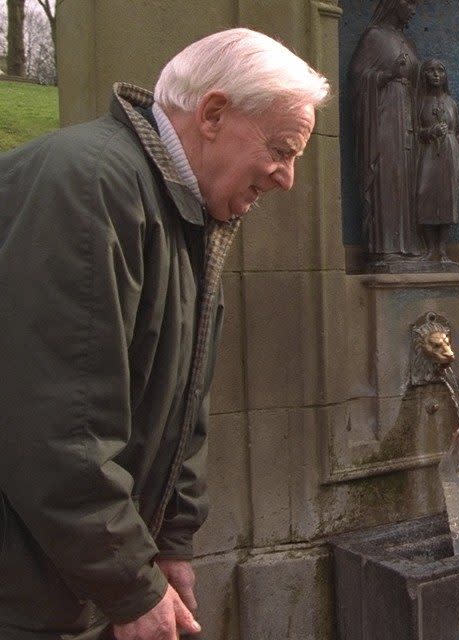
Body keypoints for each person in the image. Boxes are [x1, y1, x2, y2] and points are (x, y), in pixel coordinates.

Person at [0, 28, 329, 640]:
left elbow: (180, 403)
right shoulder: (93, 189)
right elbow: (57, 426)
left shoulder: (182, 212)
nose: (286, 178)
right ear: (212, 114)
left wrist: (170, 540)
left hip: (64, 580)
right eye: (283, 149)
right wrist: (129, 583)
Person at [349, 0, 422, 267]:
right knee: (388, 179)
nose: (413, 9)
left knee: (408, 181)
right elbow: (358, 77)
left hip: (408, 120)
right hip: (383, 120)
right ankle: (386, 247)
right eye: (410, 2)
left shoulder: (408, 42)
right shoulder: (375, 37)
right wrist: (386, 76)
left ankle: (410, 245)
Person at [416, 58, 459, 263]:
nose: (436, 74)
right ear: (424, 75)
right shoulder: (420, 103)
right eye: (431, 71)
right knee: (424, 194)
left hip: (449, 153)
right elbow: (414, 132)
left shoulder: (451, 103)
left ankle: (443, 249)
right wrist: (430, 131)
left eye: (440, 71)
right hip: (428, 153)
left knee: (447, 198)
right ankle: (429, 249)